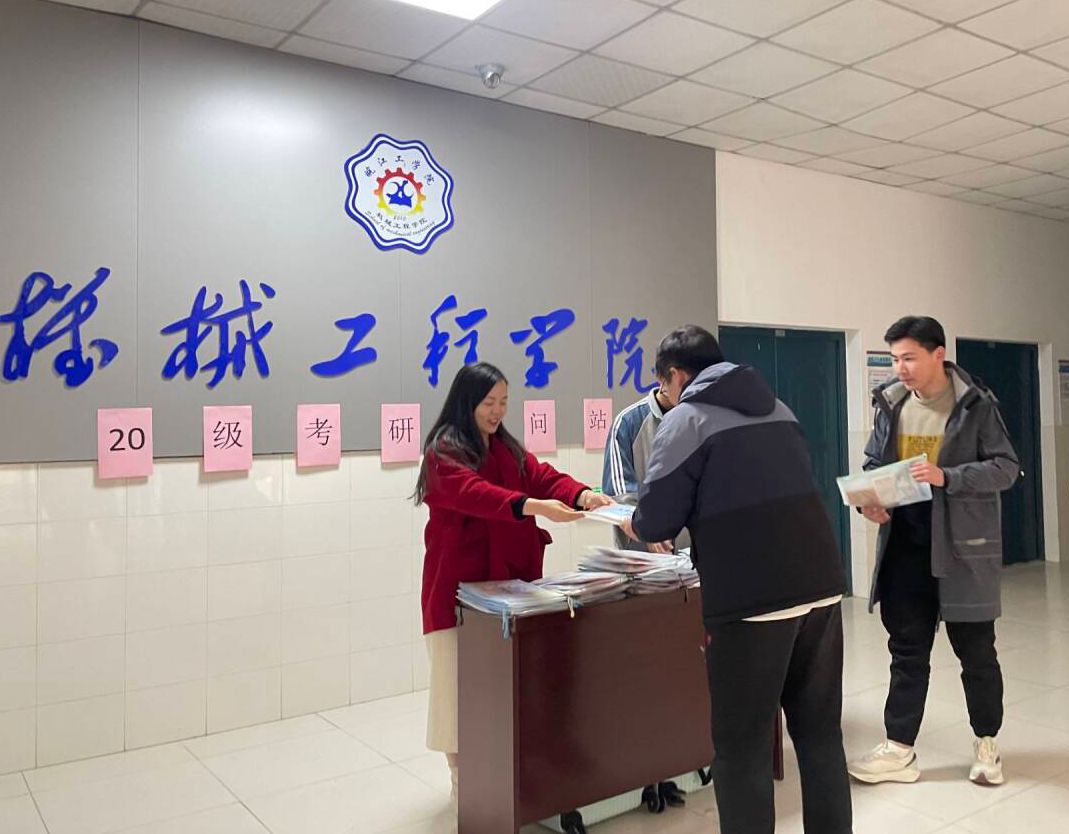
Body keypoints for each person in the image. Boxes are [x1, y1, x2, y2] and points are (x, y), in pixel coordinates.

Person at [620, 324, 852, 834]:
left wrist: (632, 520)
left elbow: (656, 521)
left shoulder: (686, 419)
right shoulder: (779, 408)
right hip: (820, 588)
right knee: (820, 736)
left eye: (663, 384)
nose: (664, 393)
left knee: (741, 748)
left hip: (751, 601)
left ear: (675, 375)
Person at [413, 362, 611, 812]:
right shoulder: (444, 451)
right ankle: (464, 782)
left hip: (509, 589)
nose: (498, 411)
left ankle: (508, 775)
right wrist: (532, 506)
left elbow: (542, 476)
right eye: (489, 402)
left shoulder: (506, 448)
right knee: (457, 692)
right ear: (467, 402)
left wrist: (581, 494)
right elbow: (475, 494)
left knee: (510, 686)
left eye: (504, 402)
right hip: (457, 595)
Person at [848, 316, 1018, 787]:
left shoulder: (976, 404)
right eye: (894, 359)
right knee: (906, 651)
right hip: (905, 547)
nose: (899, 368)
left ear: (938, 354)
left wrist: (950, 477)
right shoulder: (891, 403)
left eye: (909, 358)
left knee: (976, 653)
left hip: (963, 549)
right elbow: (873, 463)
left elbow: (1006, 468)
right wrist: (869, 502)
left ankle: (987, 745)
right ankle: (899, 749)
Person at [602, 386, 688, 554]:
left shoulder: (700, 420)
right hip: (643, 558)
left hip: (692, 557)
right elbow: (620, 497)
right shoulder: (627, 423)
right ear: (664, 378)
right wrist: (646, 527)